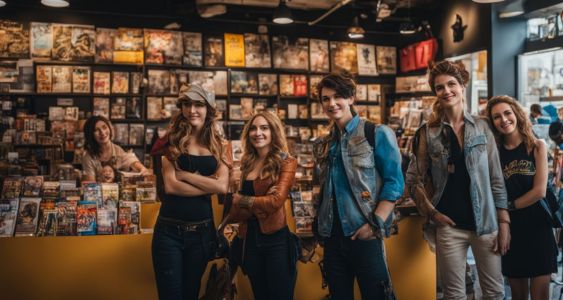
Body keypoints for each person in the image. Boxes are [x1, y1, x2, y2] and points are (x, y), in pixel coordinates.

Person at [406, 60, 510, 300]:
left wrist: (504, 223)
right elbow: (413, 180)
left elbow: (496, 178)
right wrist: (433, 214)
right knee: (454, 295)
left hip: (486, 224)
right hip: (448, 227)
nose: (446, 91)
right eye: (439, 87)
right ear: (435, 92)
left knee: (494, 293)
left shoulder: (484, 127)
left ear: (463, 86)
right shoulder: (427, 132)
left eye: (452, 84)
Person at [312, 72, 404, 299]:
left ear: (351, 98)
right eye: (325, 99)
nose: (332, 103)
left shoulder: (376, 133)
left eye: (338, 97)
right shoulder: (325, 143)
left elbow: (394, 182)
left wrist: (375, 224)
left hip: (365, 233)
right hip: (332, 237)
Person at [152, 83, 230, 300]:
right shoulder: (171, 140)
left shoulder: (219, 145)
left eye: (198, 104)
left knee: (191, 294)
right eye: (187, 104)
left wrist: (185, 176)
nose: (192, 110)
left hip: (202, 234)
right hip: (169, 233)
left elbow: (222, 186)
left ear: (209, 109)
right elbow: (171, 186)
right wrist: (208, 185)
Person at [486, 95, 557, 300]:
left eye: (507, 113)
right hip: (510, 230)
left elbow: (539, 191)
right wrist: (505, 216)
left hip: (538, 227)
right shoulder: (495, 153)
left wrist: (507, 207)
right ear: (492, 123)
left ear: (517, 113)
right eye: (497, 117)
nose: (504, 119)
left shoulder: (537, 146)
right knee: (517, 295)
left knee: (540, 296)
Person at [228, 111, 298, 300]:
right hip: (249, 240)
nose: (258, 133)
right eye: (253, 128)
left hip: (276, 241)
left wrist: (243, 200)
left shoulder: (286, 162)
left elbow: (275, 202)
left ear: (274, 132)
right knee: (260, 295)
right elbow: (235, 208)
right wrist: (258, 202)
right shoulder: (246, 164)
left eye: (264, 128)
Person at [82, 115, 150, 182]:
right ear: (90, 135)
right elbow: (91, 187)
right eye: (96, 130)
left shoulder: (117, 150)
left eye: (104, 127)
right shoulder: (88, 157)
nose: (102, 132)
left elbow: (130, 160)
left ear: (109, 128)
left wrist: (143, 169)